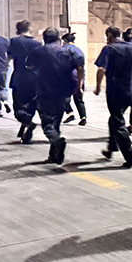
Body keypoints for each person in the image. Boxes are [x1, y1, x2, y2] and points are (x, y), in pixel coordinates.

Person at [25, 28, 84, 165]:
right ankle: (54, 155)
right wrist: (79, 86)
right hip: (64, 93)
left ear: (44, 39)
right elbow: (80, 67)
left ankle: (58, 142)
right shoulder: (69, 52)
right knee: (56, 123)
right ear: (58, 38)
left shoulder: (39, 51)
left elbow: (28, 66)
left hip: (45, 92)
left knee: (48, 125)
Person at [92, 26, 132, 167]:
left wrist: (98, 87)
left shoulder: (109, 49)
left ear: (110, 36)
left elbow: (101, 69)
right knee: (113, 119)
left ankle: (130, 155)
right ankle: (111, 148)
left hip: (116, 91)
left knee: (118, 122)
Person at [8, 20, 42, 143]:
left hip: (19, 77)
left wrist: (5, 68)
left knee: (18, 106)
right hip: (34, 78)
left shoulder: (14, 41)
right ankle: (26, 127)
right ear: (30, 28)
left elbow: (9, 57)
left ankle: (27, 124)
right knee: (31, 104)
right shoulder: (37, 44)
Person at [61, 31, 87, 126]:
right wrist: (81, 82)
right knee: (78, 98)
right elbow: (81, 67)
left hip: (66, 78)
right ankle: (83, 117)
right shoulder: (79, 50)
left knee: (63, 97)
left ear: (64, 41)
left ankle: (70, 113)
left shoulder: (62, 50)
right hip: (78, 77)